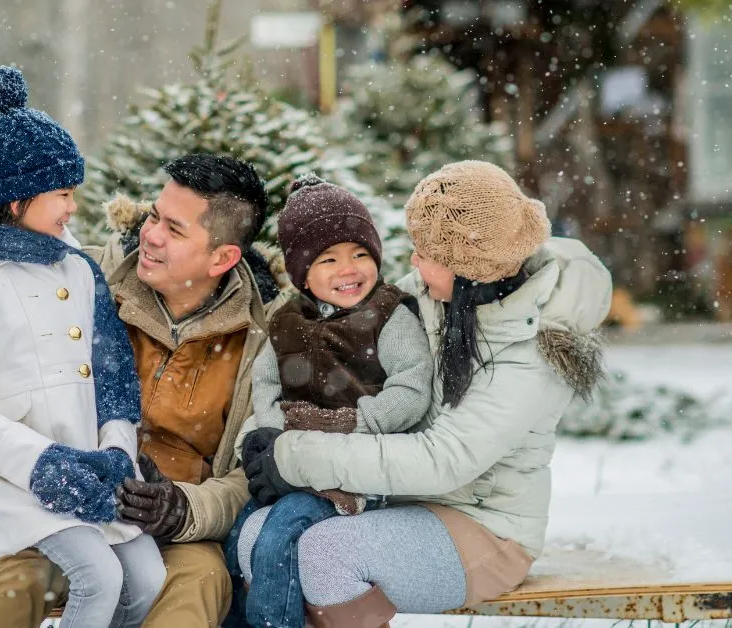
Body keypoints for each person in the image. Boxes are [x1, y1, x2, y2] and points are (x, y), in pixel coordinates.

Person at [0, 151, 288, 627]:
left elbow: (253, 475)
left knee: (197, 583)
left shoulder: (261, 342)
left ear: (222, 257)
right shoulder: (79, 275)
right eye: (154, 216)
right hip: (55, 502)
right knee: (20, 584)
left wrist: (185, 509)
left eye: (175, 229)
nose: (151, 234)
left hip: (176, 529)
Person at [243, 161, 613, 627]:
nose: (412, 263)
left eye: (425, 252)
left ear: (468, 268)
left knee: (324, 554)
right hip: (401, 503)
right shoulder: (437, 299)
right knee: (256, 536)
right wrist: (267, 432)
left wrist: (296, 455)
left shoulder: (530, 354)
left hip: (487, 528)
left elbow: (443, 460)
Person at [0, 66, 165, 627]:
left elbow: (113, 376)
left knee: (147, 577)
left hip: (94, 468)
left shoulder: (78, 266)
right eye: (63, 194)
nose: (73, 208)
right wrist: (43, 465)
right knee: (100, 577)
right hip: (21, 479)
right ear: (16, 197)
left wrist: (117, 452)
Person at [225, 174, 433, 628]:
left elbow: (412, 389)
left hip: (356, 473)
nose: (349, 269)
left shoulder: (389, 316)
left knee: (281, 535)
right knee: (238, 535)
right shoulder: (286, 321)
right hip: (291, 468)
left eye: (361, 254)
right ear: (302, 273)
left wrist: (353, 423)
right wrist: (277, 435)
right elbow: (266, 386)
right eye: (329, 259)